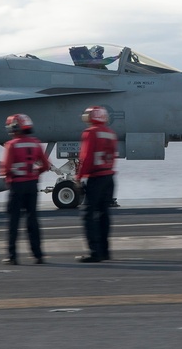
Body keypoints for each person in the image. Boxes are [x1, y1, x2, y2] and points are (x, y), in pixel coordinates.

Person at [0, 113, 51, 265]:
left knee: (13, 221)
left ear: (14, 128)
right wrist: (36, 173)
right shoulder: (36, 143)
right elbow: (46, 165)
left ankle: (12, 256)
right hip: (32, 185)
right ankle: (38, 255)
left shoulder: (12, 145)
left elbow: (6, 168)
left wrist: (9, 179)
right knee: (32, 220)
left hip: (17, 185)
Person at [76, 105, 118, 263]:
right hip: (109, 177)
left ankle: (95, 252)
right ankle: (105, 251)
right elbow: (114, 156)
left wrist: (78, 177)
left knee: (88, 215)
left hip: (96, 178)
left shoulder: (90, 133)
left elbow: (86, 157)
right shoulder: (111, 134)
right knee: (104, 215)